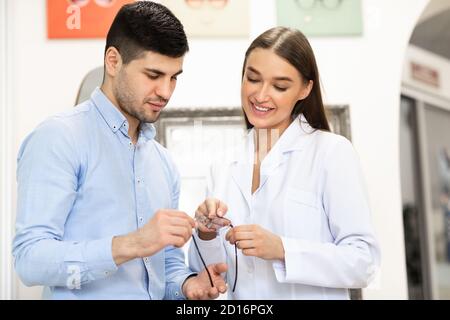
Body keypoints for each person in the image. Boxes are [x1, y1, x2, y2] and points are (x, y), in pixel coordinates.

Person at [12, 1, 227, 300]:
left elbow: (165, 265)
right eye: (153, 75)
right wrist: (132, 244)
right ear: (113, 61)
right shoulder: (58, 138)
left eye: (174, 77)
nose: (166, 92)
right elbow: (29, 260)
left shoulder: (163, 162)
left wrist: (187, 284)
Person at [188, 27, 380, 299]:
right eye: (253, 79)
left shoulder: (331, 153)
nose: (261, 95)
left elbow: (364, 262)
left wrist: (282, 249)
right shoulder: (222, 165)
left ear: (305, 88)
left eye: (279, 86)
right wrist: (206, 234)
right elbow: (208, 273)